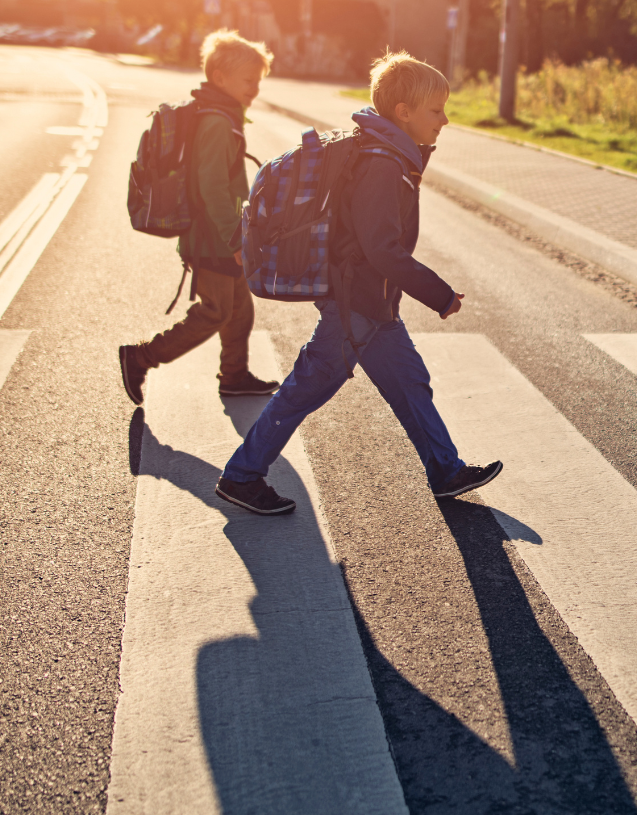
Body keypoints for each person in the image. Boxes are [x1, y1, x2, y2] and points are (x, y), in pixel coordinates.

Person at [213, 51, 502, 516]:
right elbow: (381, 248)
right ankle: (242, 475)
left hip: (373, 304)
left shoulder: (389, 154)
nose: (445, 120)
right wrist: (440, 295)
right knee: (304, 390)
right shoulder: (383, 164)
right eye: (436, 110)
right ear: (403, 113)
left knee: (410, 384)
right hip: (356, 304)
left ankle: (446, 470)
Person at [119, 30, 280, 406]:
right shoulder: (218, 124)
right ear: (220, 78)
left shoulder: (220, 116)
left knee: (240, 309)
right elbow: (211, 188)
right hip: (213, 236)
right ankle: (141, 357)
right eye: (248, 81)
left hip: (220, 232)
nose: (255, 89)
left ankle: (235, 375)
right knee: (215, 311)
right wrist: (233, 239)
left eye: (258, 81)